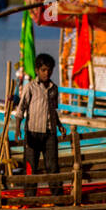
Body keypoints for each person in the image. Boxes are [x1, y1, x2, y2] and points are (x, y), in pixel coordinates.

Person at [10, 52, 65, 196]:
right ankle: (29, 197)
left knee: (52, 167)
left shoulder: (54, 89)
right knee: (30, 167)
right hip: (32, 133)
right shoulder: (30, 87)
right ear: (37, 70)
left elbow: (53, 111)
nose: (47, 73)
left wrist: (59, 126)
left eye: (49, 70)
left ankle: (57, 196)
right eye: (43, 70)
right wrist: (17, 129)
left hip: (50, 134)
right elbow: (21, 109)